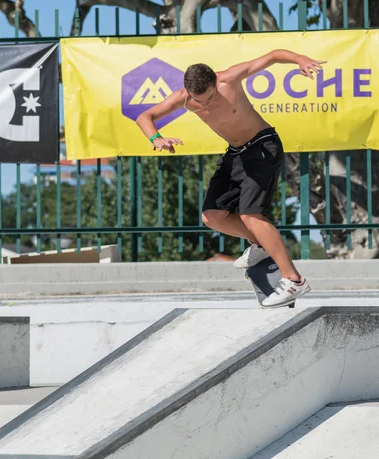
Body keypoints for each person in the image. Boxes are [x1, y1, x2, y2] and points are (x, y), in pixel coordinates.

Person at [136, 49, 325, 308]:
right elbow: (144, 117)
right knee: (212, 216)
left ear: (215, 82)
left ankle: (294, 280)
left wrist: (300, 60)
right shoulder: (183, 98)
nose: (204, 105)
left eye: (210, 98)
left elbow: (272, 56)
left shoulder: (230, 78)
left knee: (250, 214)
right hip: (235, 154)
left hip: (262, 146)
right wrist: (157, 138)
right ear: (188, 92)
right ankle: (261, 242)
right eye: (198, 101)